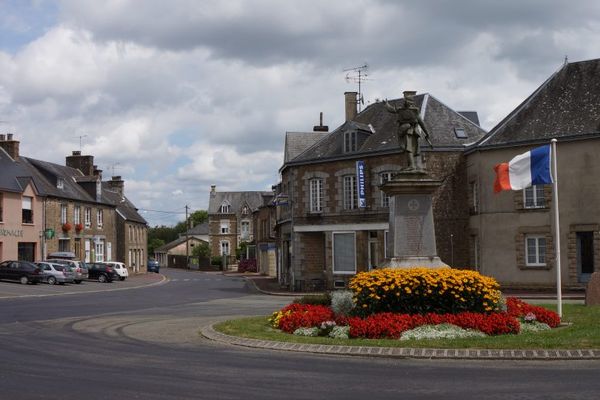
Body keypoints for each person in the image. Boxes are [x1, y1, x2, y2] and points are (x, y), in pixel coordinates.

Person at [384, 91, 432, 171]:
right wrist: (386, 105)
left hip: (410, 132)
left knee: (409, 148)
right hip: (407, 131)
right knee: (408, 148)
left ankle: (412, 166)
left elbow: (421, 123)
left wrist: (427, 133)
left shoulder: (413, 111)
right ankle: (411, 165)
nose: (406, 103)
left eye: (407, 101)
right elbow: (392, 110)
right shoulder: (406, 110)